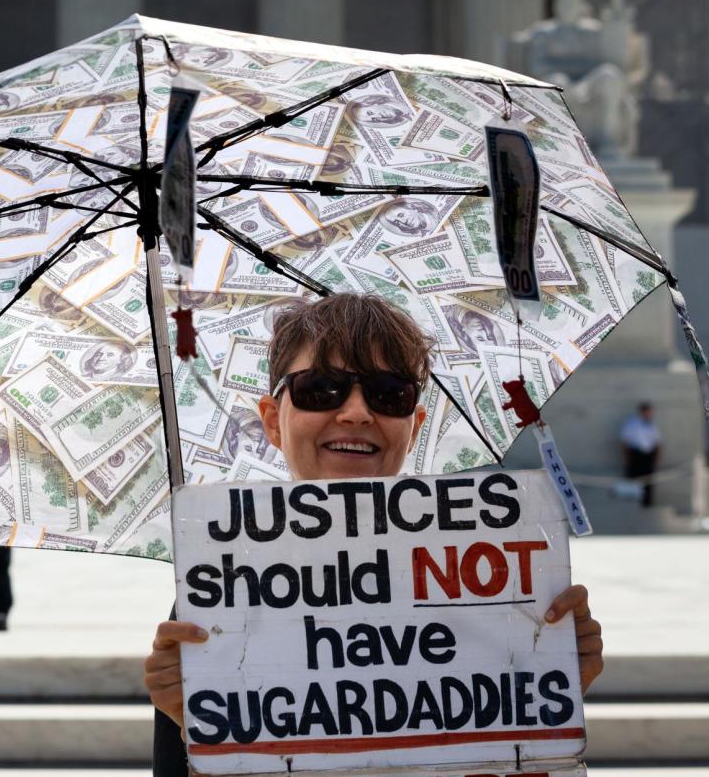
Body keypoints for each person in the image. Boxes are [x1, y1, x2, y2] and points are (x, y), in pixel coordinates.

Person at [143, 294, 605, 776]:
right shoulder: (216, 598)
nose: (357, 412)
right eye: (321, 389)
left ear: (414, 425)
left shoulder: (500, 578)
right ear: (272, 421)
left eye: (388, 394)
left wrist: (546, 707)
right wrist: (197, 732)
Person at [620, 401, 661, 508]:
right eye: (647, 412)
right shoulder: (631, 423)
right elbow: (625, 441)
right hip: (636, 454)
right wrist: (628, 457)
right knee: (633, 478)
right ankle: (631, 503)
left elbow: (657, 441)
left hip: (648, 456)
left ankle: (647, 503)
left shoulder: (651, 424)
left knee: (648, 480)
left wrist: (656, 457)